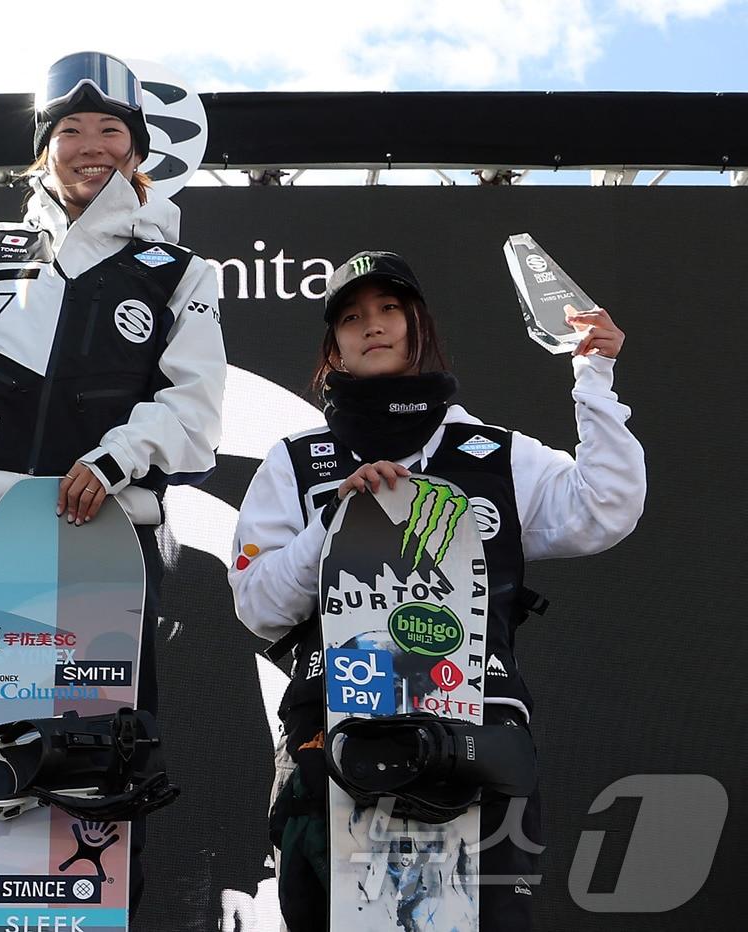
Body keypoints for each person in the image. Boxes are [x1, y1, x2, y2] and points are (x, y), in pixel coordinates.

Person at [0, 51, 226, 930]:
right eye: (69, 131)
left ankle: (95, 847)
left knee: (95, 737)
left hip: (98, 523)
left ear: (137, 150)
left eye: (109, 131)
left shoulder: (178, 270)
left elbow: (196, 409)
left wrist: (116, 458)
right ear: (43, 148)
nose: (89, 146)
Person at [228, 250, 646, 931]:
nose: (374, 325)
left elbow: (608, 507)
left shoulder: (495, 453)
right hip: (332, 740)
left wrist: (593, 375)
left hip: (474, 736)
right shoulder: (296, 460)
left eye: (389, 308)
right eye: (352, 317)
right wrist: (334, 524)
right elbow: (258, 605)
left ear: (417, 322)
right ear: (332, 346)